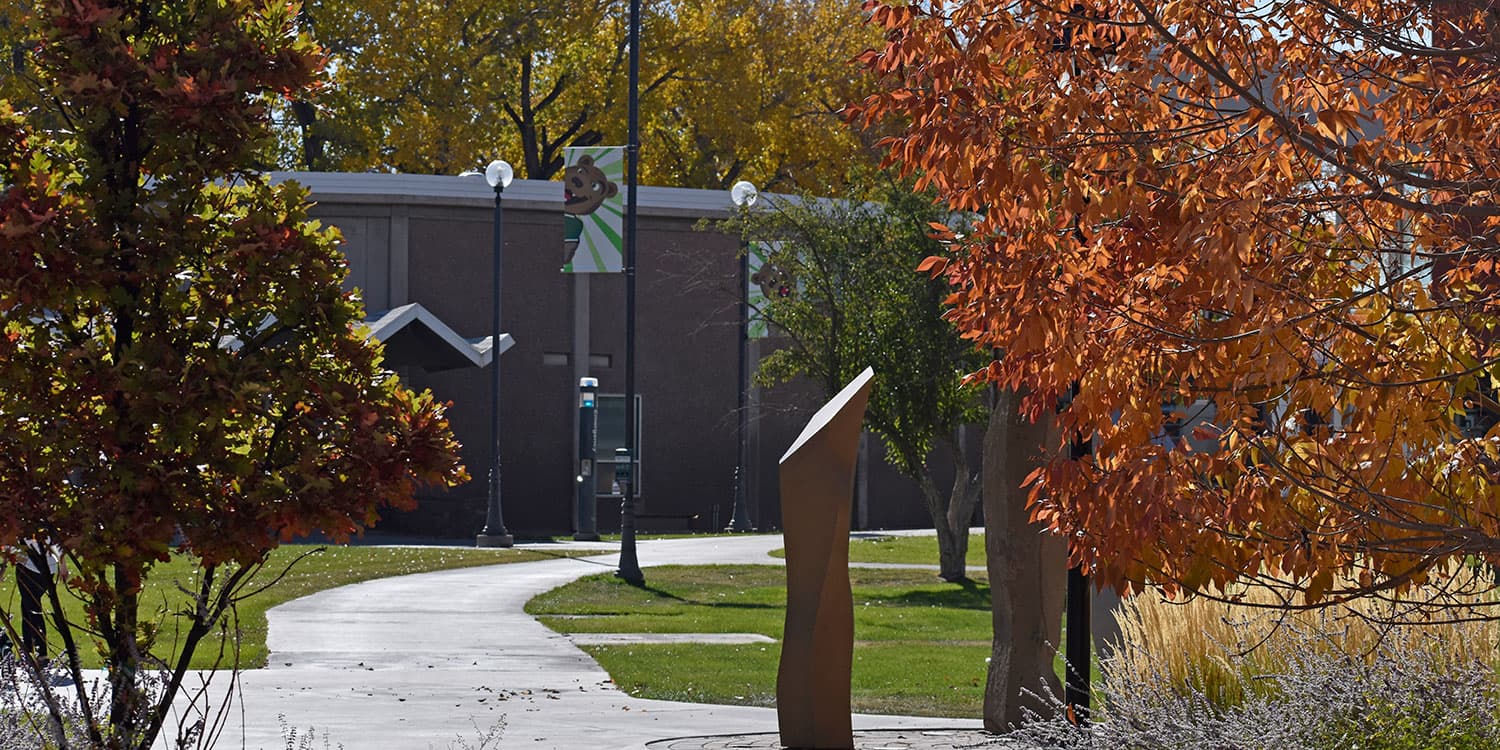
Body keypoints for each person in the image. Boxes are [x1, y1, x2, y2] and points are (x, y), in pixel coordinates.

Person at [17, 540, 62, 663]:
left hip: (27, 566)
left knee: (32, 607)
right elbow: (57, 544)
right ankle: (28, 650)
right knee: (27, 605)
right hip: (49, 567)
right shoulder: (47, 523)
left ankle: (41, 653)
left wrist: (4, 565)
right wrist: (63, 565)